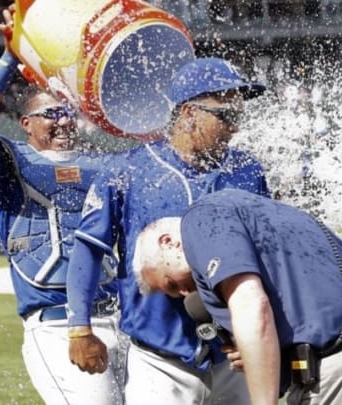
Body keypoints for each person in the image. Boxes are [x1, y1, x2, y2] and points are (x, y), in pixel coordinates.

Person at [67, 57, 270, 405]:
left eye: (240, 115)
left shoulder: (247, 170)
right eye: (227, 115)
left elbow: (267, 255)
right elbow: (88, 249)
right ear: (190, 114)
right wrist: (80, 328)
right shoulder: (127, 171)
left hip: (234, 359)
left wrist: (261, 336)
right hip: (160, 361)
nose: (235, 127)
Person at [0, 6, 124, 405]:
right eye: (50, 113)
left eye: (67, 113)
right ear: (25, 123)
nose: (63, 121)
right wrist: (11, 58)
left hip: (123, 318)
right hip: (56, 324)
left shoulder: (103, 164)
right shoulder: (11, 165)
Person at [132, 189, 342, 405]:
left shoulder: (201, 218)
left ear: (168, 242)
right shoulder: (252, 210)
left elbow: (253, 307)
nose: (184, 293)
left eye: (171, 284)